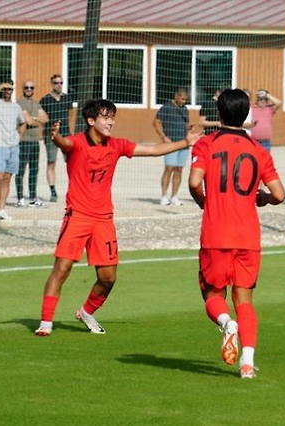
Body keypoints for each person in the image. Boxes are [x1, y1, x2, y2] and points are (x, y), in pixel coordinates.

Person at [34, 99, 201, 337]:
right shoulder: (78, 143)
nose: (111, 122)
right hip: (78, 216)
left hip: (103, 219)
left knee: (108, 278)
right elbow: (66, 143)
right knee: (62, 267)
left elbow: (152, 151)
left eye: (112, 117)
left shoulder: (117, 145)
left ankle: (86, 312)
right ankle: (46, 322)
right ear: (91, 121)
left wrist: (186, 142)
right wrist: (55, 137)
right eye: (105, 117)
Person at [189, 88, 285, 379]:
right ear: (246, 115)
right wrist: (263, 198)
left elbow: (195, 182)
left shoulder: (207, 144)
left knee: (211, 293)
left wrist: (205, 204)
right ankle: (247, 363)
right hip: (248, 236)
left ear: (218, 113)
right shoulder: (259, 150)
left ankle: (225, 324)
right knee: (244, 299)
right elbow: (280, 194)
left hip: (216, 233)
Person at [0, 80, 26, 220]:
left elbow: (22, 123)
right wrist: (1, 86)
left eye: (10, 89)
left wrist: (18, 137)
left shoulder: (16, 107)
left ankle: (3, 208)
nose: (8, 91)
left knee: (8, 178)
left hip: (13, 146)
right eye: (6, 89)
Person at [40, 74, 77, 203]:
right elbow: (42, 117)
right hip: (50, 135)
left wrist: (69, 131)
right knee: (51, 162)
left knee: (72, 161)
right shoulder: (45, 100)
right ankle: (53, 190)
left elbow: (71, 114)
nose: (59, 85)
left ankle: (73, 189)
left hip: (66, 134)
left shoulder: (67, 98)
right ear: (52, 84)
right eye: (56, 83)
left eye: (61, 83)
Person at [153, 88, 190, 206]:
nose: (184, 101)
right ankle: (163, 196)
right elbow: (156, 122)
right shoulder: (166, 107)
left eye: (185, 99)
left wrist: (190, 130)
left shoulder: (185, 109)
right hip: (170, 144)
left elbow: (187, 124)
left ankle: (174, 196)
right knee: (169, 168)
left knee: (179, 169)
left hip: (183, 144)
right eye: (182, 99)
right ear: (176, 96)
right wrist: (163, 137)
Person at [16, 80, 48, 207]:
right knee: (21, 170)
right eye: (26, 87)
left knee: (34, 170)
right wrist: (36, 120)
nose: (29, 89)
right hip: (24, 141)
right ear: (23, 89)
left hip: (35, 141)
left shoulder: (36, 103)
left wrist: (33, 118)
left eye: (31, 87)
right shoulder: (19, 103)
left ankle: (33, 197)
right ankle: (20, 197)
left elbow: (45, 119)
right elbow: (27, 121)